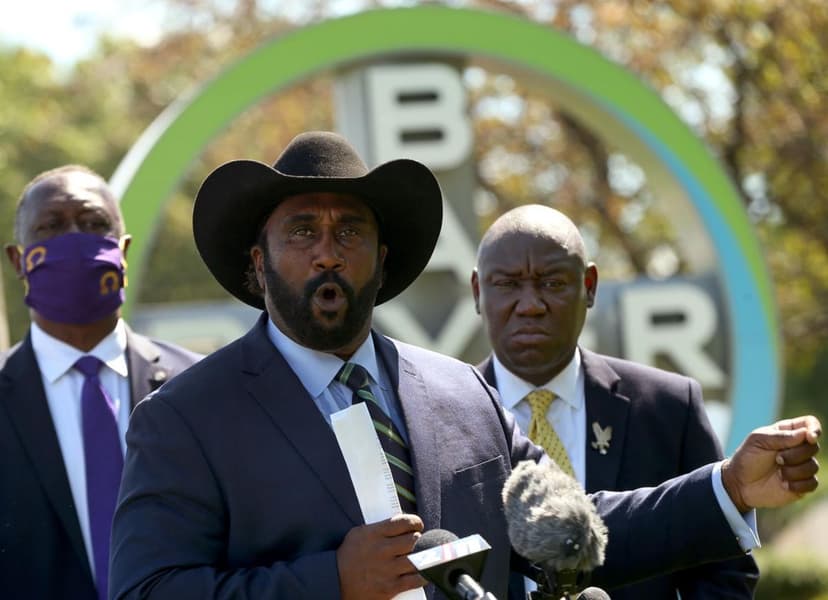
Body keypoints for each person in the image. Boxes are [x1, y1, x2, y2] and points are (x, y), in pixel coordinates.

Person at [109, 131, 820, 600]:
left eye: (350, 229)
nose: (328, 250)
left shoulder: (461, 392)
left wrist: (727, 487)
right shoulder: (185, 419)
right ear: (258, 262)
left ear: (382, 260)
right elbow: (148, 591)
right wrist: (332, 581)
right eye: (302, 230)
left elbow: (571, 528)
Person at [471, 203, 759, 598]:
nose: (531, 304)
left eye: (552, 283)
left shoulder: (669, 408)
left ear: (589, 286)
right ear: (477, 291)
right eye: (507, 284)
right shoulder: (447, 420)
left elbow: (724, 572)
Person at [0, 165, 202, 600]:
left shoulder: (200, 387)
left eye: (94, 225)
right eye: (50, 227)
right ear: (18, 261)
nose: (74, 240)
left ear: (123, 249)